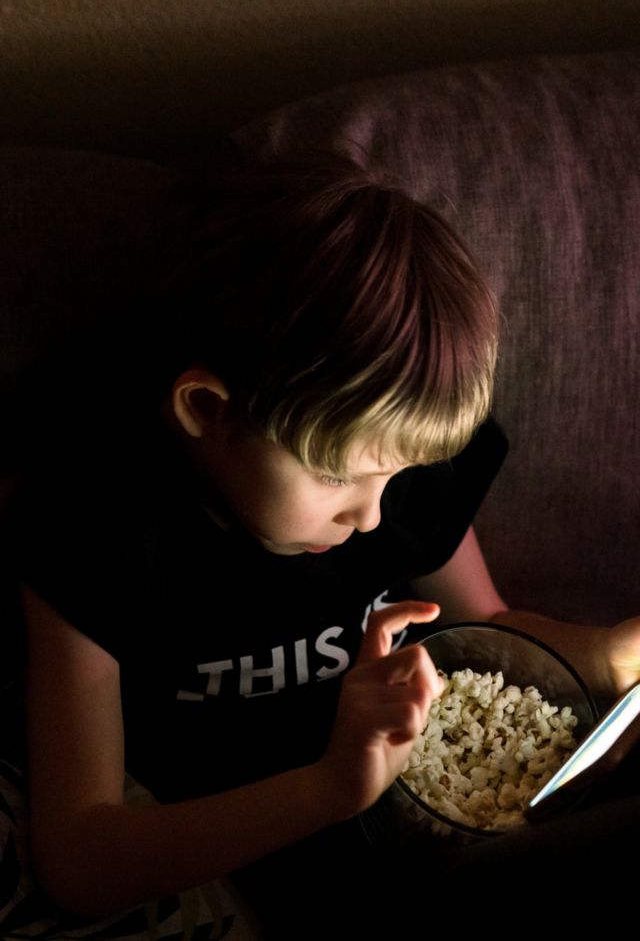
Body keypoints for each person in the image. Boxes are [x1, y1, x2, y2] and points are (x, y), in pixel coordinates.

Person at [13, 155, 640, 935]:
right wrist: (329, 788)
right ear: (209, 411)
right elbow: (80, 859)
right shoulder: (102, 532)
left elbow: (483, 632)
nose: (374, 520)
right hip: (247, 863)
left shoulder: (394, 485)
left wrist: (605, 654)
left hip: (437, 842)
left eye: (403, 476)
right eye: (338, 477)